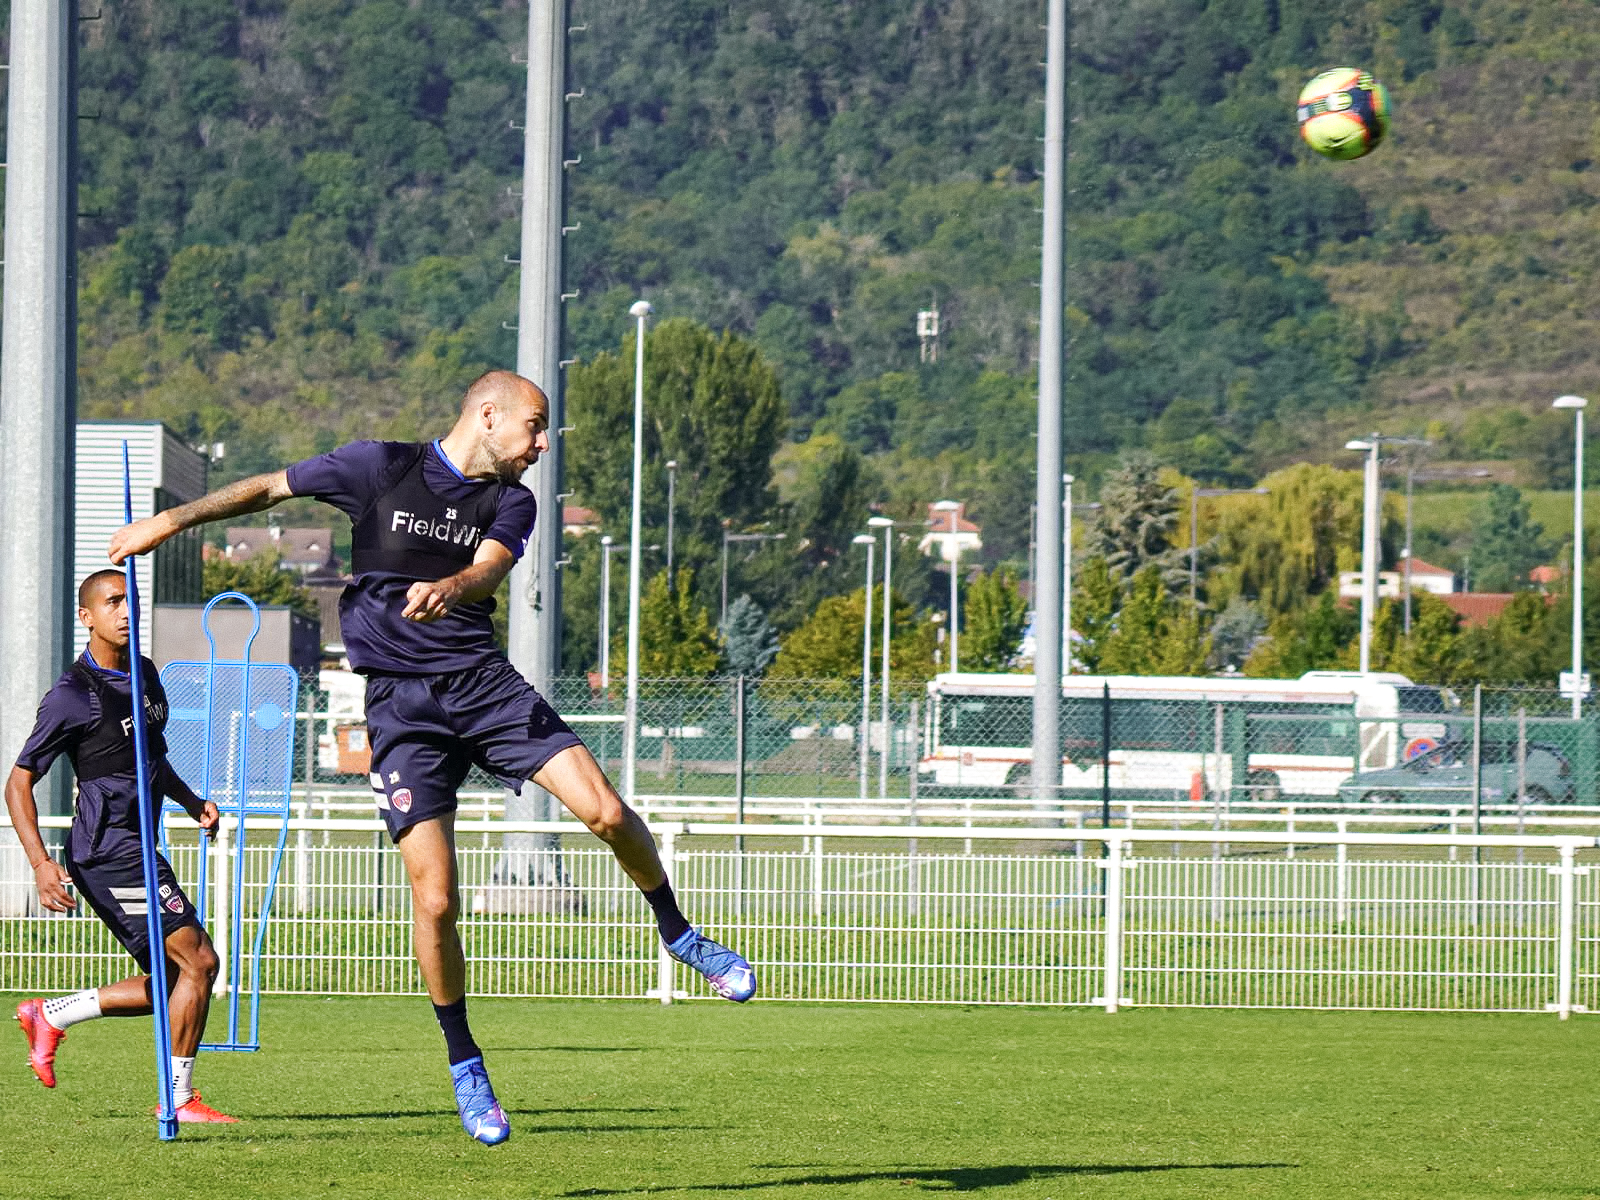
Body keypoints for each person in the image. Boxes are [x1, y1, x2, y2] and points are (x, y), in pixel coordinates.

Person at [109, 369, 756, 1147]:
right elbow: (267, 490)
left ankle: (679, 932)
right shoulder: (377, 466)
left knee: (608, 813)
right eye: (536, 426)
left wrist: (454, 584)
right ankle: (466, 1065)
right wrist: (172, 519)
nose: (542, 444)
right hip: (400, 710)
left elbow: (490, 567)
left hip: (483, 688)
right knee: (438, 902)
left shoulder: (512, 498)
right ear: (489, 416)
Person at [7, 569, 235, 1123]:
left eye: (131, 599)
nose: (126, 610)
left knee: (178, 980)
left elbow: (151, 759)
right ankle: (179, 1100)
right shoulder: (71, 695)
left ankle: (51, 1015)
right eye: (113, 602)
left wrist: (188, 799)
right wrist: (40, 863)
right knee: (199, 962)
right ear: (87, 616)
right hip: (107, 853)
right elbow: (17, 782)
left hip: (139, 846)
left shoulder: (147, 673)